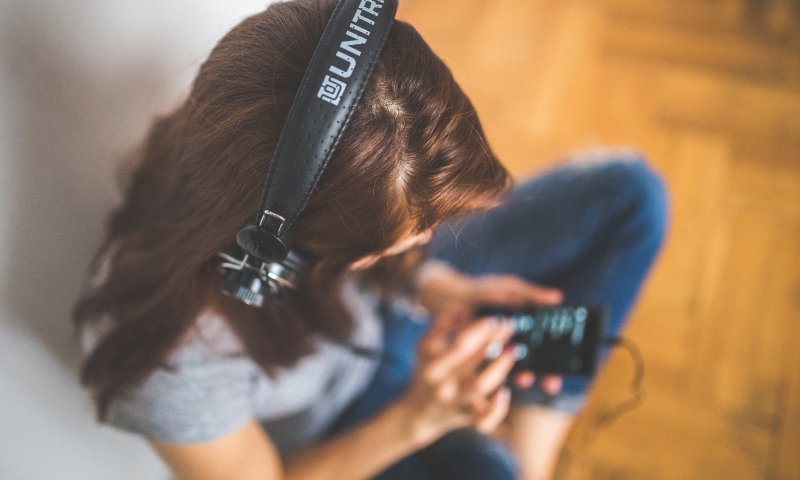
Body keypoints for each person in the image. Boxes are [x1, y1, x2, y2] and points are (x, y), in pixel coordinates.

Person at [74, 1, 668, 479]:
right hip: (356, 431)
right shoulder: (163, 363)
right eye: (407, 235)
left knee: (631, 197)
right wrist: (418, 418)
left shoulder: (256, 134)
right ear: (284, 251)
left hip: (390, 318)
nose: (434, 236)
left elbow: (392, 247)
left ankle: (527, 451)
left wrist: (434, 284)